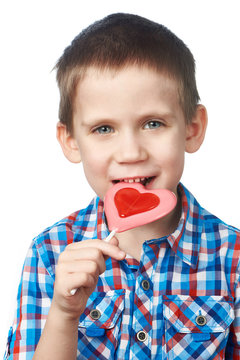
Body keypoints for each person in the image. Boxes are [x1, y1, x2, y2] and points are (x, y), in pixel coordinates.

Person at [4, 13, 240, 360]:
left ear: (192, 128)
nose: (130, 153)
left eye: (153, 123)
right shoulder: (50, 253)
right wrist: (64, 314)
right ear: (70, 141)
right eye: (103, 129)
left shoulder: (232, 257)